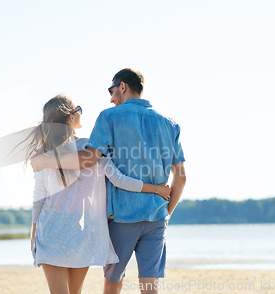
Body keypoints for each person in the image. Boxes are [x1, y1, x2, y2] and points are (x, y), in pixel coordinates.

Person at [31, 69, 187, 294]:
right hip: (155, 216)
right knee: (150, 286)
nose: (111, 98)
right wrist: (166, 212)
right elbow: (180, 176)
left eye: (111, 91)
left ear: (122, 87)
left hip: (121, 217)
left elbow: (89, 158)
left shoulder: (108, 117)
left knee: (114, 281)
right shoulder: (170, 124)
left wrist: (45, 160)